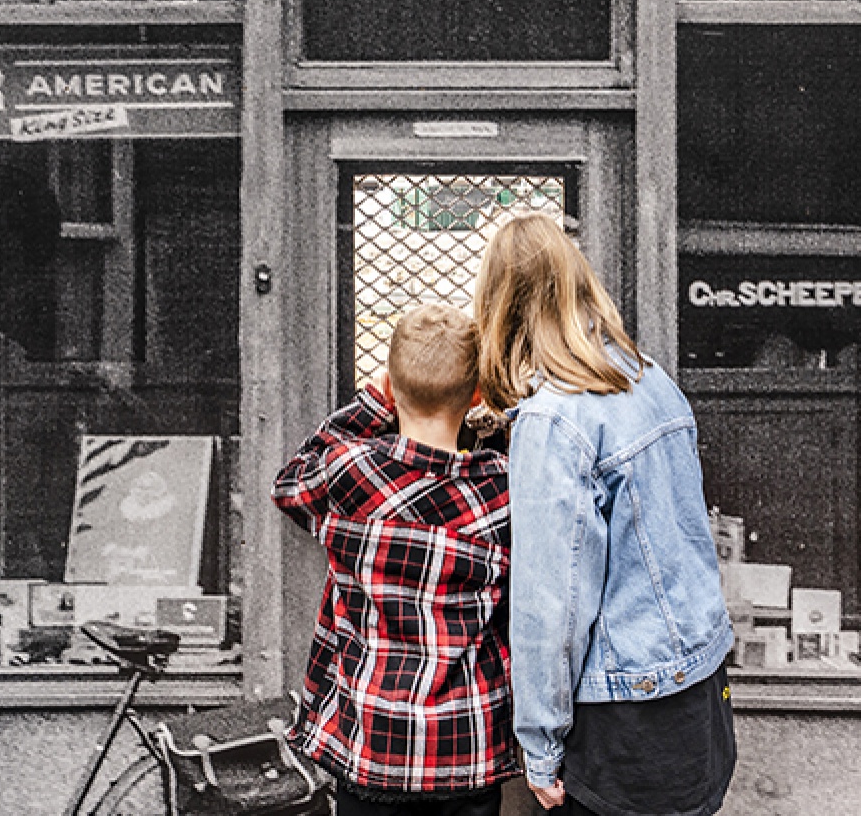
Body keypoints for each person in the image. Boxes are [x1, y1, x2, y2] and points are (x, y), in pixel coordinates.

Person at [473, 212, 736, 816]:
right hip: (697, 695)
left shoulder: (553, 420)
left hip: (623, 720)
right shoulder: (650, 380)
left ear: (501, 309)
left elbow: (553, 603)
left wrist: (538, 747)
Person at [272, 302, 517, 816]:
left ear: (391, 387)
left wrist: (372, 403)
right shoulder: (502, 488)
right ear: (475, 395)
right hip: (466, 752)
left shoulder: (348, 474)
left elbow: (290, 480)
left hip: (372, 746)